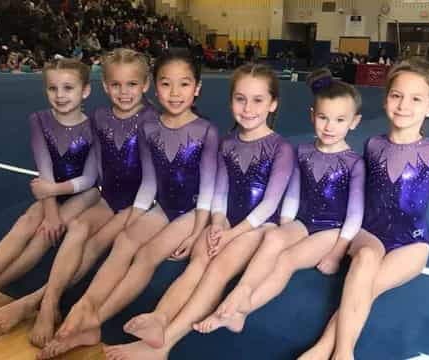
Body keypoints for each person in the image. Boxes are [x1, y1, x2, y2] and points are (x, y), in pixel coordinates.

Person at [103, 63, 294, 360]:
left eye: (257, 100)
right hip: (228, 221)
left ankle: (165, 346)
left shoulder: (280, 147)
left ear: (273, 104)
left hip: (259, 227)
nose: (247, 108)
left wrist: (232, 233)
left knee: (217, 269)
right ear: (231, 100)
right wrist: (217, 222)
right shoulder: (228, 143)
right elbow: (219, 191)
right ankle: (160, 318)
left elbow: (270, 203)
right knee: (198, 261)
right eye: (240, 99)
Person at [38, 51, 219, 359]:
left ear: (197, 88)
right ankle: (86, 304)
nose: (174, 93)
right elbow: (149, 183)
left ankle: (95, 319)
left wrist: (196, 231)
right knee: (124, 241)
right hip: (162, 206)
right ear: (156, 87)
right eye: (166, 84)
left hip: (193, 210)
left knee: (146, 255)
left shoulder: (206, 131)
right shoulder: (149, 128)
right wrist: (133, 218)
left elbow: (209, 189)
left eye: (184, 84)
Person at [299, 58, 429, 360]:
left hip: (413, 240)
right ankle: (343, 352)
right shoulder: (373, 145)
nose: (404, 105)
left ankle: (326, 349)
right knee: (364, 260)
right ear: (386, 99)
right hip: (370, 232)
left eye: (416, 99)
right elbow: (360, 193)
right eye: (396, 95)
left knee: (370, 287)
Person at [0, 49, 154, 347]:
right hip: (109, 198)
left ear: (145, 85)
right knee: (78, 228)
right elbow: (92, 170)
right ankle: (49, 302)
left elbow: (154, 178)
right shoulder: (100, 118)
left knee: (93, 243)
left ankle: (36, 302)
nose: (124, 92)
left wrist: (135, 213)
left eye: (132, 84)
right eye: (116, 85)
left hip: (141, 203)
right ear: (105, 86)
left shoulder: (152, 122)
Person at [194, 70, 365, 335]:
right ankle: (242, 291)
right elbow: (294, 194)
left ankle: (241, 309)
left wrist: (337, 251)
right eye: (323, 118)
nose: (330, 127)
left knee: (286, 260)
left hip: (333, 229)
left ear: (354, 122)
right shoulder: (304, 152)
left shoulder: (354, 162)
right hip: (303, 222)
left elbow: (355, 214)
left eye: (339, 120)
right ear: (312, 116)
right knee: (274, 239)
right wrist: (287, 227)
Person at [0, 58, 100, 337]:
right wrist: (50, 209)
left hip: (85, 193)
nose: (60, 95)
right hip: (52, 190)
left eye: (68, 88)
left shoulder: (94, 129)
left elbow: (89, 179)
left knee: (43, 235)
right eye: (53, 88)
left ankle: (4, 288)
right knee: (25, 222)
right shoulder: (39, 121)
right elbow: (45, 171)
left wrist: (52, 194)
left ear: (85, 91)